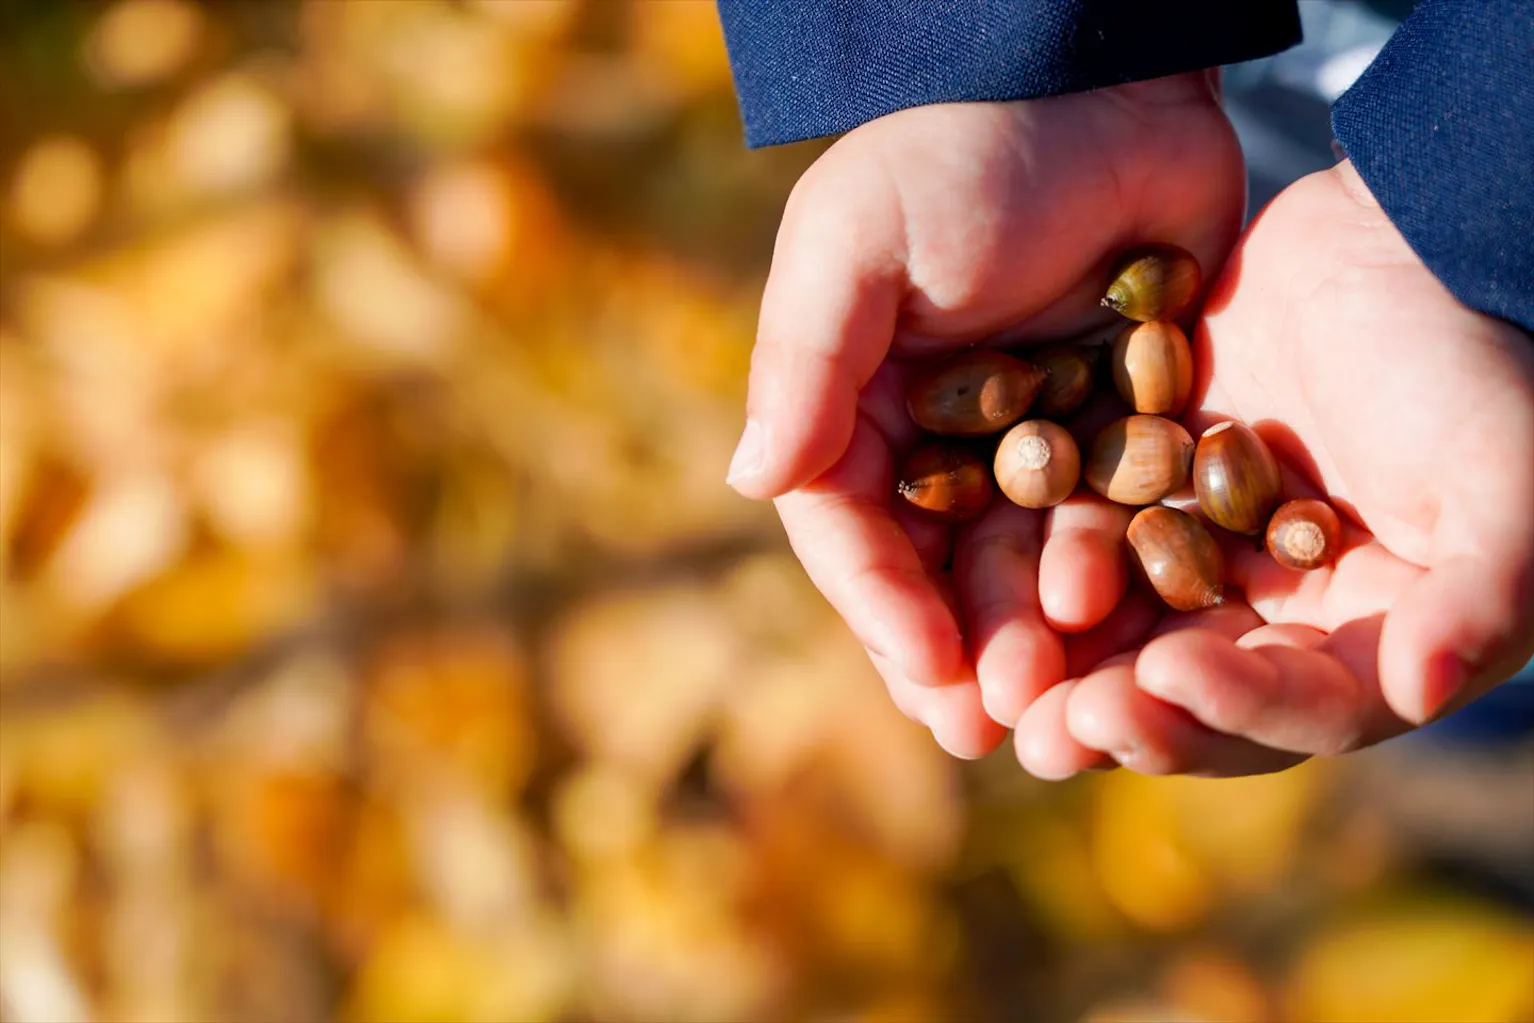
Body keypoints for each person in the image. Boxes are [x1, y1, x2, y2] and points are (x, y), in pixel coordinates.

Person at [713, 0, 1534, 778]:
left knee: (1442, 589)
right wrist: (1053, 59)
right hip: (1211, 62)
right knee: (1439, 620)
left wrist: (1458, 214)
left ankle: (1494, 697)